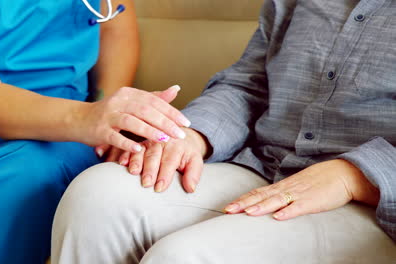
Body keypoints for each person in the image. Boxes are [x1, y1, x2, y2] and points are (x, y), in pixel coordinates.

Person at [51, 0, 396, 263]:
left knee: (184, 257)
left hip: (374, 203)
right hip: (263, 164)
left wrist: (354, 177)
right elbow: (249, 84)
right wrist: (192, 134)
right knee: (97, 193)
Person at [0, 0, 191, 263]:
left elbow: (115, 20)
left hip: (58, 124)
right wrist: (90, 117)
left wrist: (111, 109)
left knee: (18, 190)